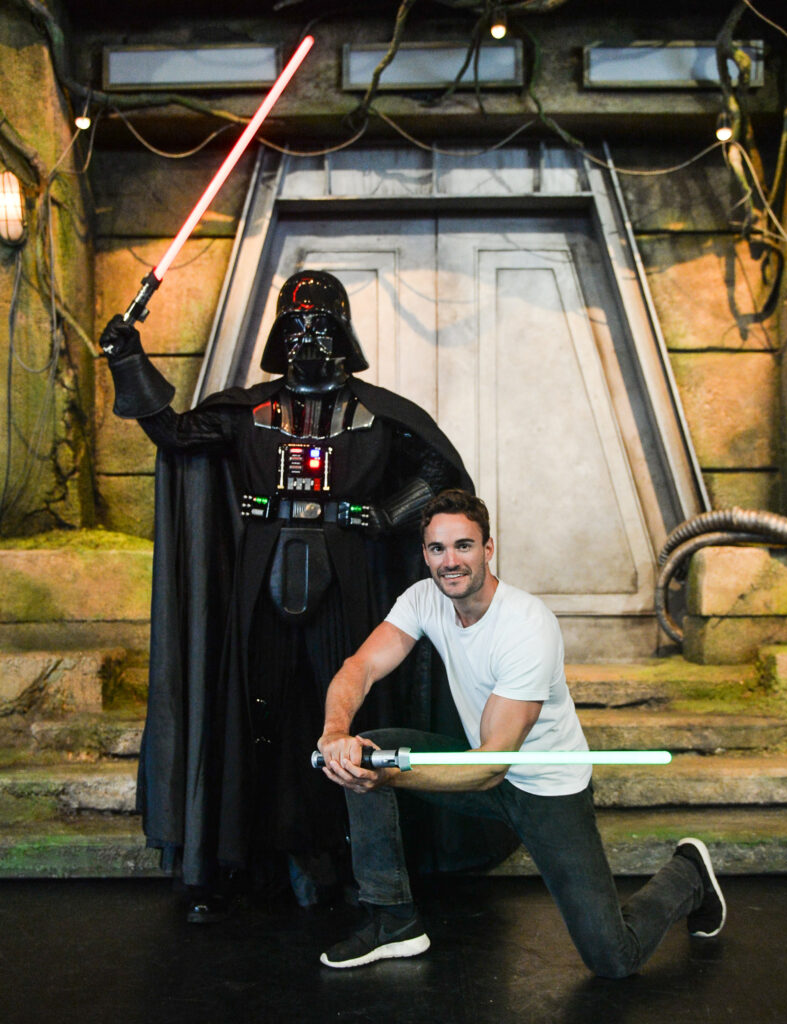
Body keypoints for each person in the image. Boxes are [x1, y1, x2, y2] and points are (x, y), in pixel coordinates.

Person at [99, 271, 512, 920]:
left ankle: (357, 865)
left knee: (353, 722)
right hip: (261, 588)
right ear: (278, 335)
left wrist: (379, 516)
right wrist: (128, 359)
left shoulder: (379, 416)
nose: (309, 340)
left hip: (349, 585)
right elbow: (176, 435)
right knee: (258, 721)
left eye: (321, 327)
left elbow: (441, 474)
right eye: (297, 327)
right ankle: (251, 862)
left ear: (344, 336)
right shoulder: (250, 413)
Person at [316, 488, 727, 975]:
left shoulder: (527, 626)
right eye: (437, 549)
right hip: (483, 768)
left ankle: (689, 874)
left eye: (464, 546)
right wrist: (334, 734)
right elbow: (359, 667)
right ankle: (393, 923)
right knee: (362, 754)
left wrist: (384, 776)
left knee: (613, 959)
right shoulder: (424, 598)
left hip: (544, 788)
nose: (450, 561)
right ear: (424, 554)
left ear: (489, 549)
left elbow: (492, 766)